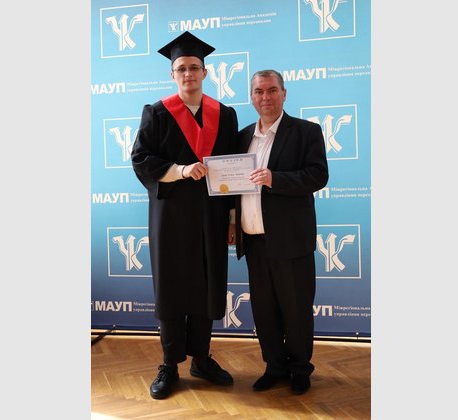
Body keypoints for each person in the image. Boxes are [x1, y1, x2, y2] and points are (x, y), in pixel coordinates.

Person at [131, 31, 238, 400]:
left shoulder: (225, 114)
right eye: (181, 68)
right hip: (172, 216)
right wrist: (179, 170)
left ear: (205, 72)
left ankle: (202, 359)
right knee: (173, 286)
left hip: (212, 214)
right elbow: (141, 159)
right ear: (172, 74)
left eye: (194, 67)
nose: (188, 73)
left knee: (207, 284)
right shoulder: (157, 113)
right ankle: (169, 364)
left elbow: (233, 167)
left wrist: (233, 219)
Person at [230, 69, 328, 395]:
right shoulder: (242, 137)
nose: (266, 97)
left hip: (291, 241)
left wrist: (275, 179)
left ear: (284, 94)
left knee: (296, 309)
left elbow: (318, 176)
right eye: (259, 91)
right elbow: (232, 187)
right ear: (251, 97)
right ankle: (274, 367)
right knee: (265, 310)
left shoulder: (306, 131)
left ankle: (300, 369)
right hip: (253, 240)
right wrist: (232, 221)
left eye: (272, 90)